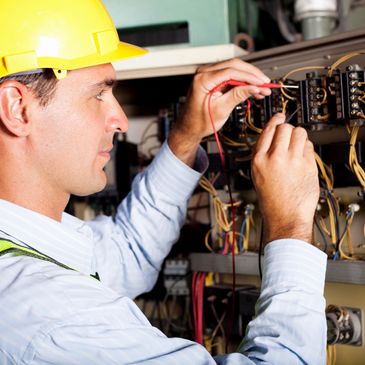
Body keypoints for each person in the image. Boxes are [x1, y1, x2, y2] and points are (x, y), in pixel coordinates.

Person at [0, 1, 327, 364]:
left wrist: (187, 135)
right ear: (17, 107)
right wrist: (290, 226)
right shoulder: (54, 321)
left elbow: (127, 252)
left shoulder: (19, 249)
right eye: (97, 94)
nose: (120, 120)